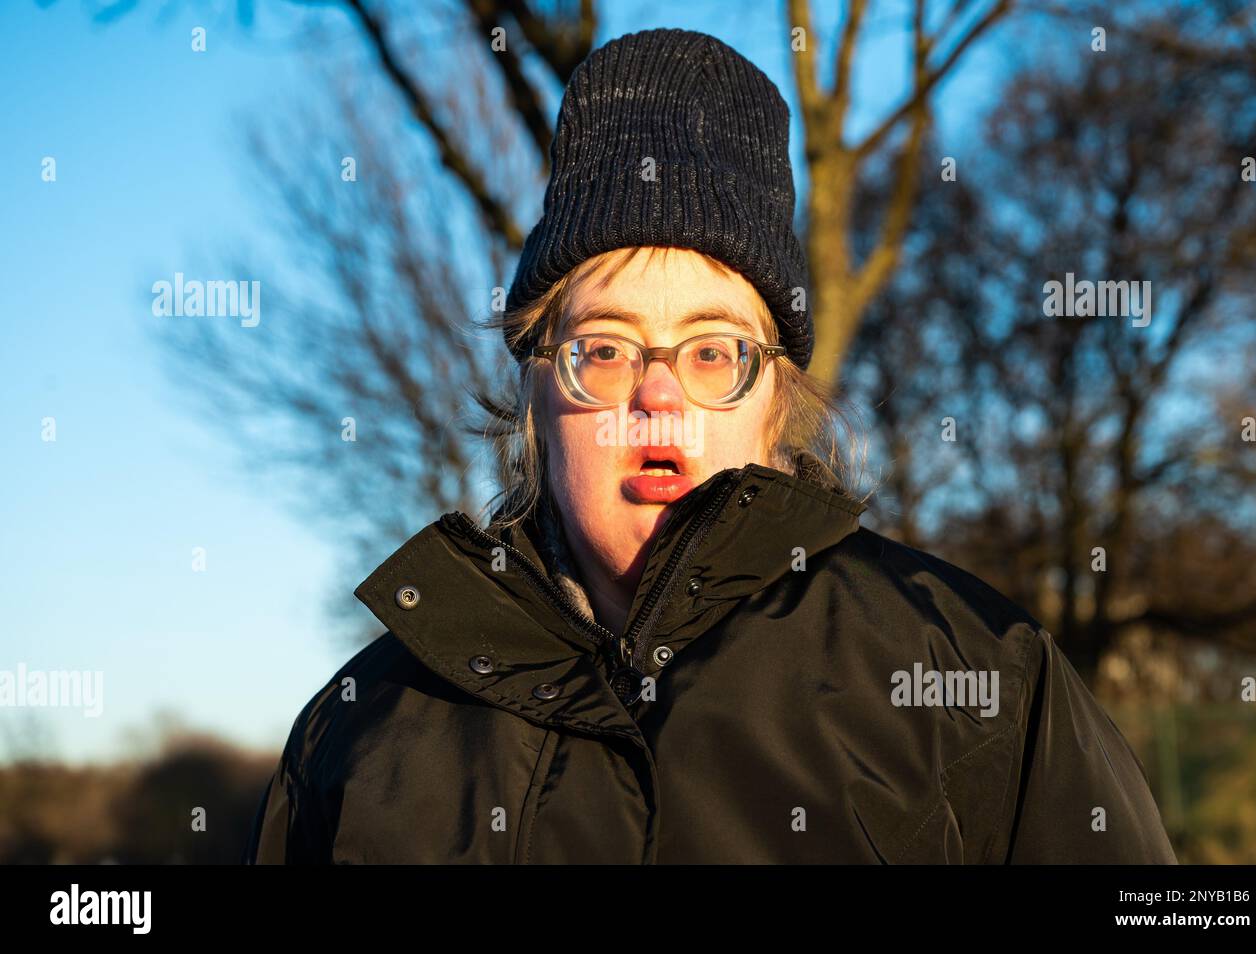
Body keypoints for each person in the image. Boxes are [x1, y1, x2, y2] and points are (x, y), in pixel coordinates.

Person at [244, 27, 1176, 864]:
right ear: (536, 390)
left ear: (775, 392)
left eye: (712, 350)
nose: (657, 395)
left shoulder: (978, 685)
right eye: (603, 349)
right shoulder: (357, 737)